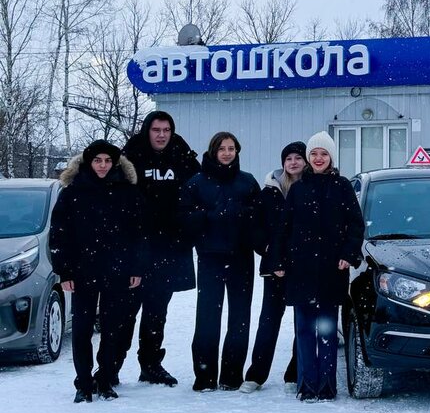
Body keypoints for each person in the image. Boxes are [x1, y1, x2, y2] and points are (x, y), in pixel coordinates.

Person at [269, 131, 364, 401]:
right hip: (301, 270)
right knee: (304, 330)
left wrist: (349, 254)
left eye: (324, 154)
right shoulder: (298, 189)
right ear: (309, 158)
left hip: (332, 270)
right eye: (314, 154)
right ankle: (307, 386)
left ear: (331, 157)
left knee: (327, 331)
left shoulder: (342, 186)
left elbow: (355, 225)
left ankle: (327, 387)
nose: (318, 158)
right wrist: (277, 260)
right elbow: (283, 229)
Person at [49, 140, 144, 402]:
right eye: (97, 160)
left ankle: (105, 379)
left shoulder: (127, 192)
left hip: (117, 270)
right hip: (82, 272)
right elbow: (59, 235)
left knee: (113, 328)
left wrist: (136, 267)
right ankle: (83, 382)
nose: (103, 165)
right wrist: (65, 271)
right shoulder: (72, 193)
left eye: (107, 160)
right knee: (82, 328)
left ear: (115, 163)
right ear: (88, 162)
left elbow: (138, 233)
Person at [119, 110, 200, 387]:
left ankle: (151, 365)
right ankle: (110, 366)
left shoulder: (182, 157)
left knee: (156, 312)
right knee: (124, 312)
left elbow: (198, 193)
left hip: (168, 248)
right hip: (134, 248)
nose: (162, 135)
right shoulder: (130, 157)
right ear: (147, 131)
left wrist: (189, 229)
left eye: (166, 130)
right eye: (156, 130)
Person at [180, 131, 260, 391]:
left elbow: (260, 219)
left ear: (237, 151)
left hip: (241, 258)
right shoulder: (197, 183)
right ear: (213, 151)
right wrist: (208, 216)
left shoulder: (247, 182)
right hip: (210, 258)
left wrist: (243, 216)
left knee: (240, 318)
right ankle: (204, 376)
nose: (227, 153)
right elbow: (185, 219)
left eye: (231, 148)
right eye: (222, 148)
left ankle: (231, 375)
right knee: (207, 318)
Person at [240, 141, 305, 394]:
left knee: (301, 322)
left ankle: (295, 374)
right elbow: (255, 226)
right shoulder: (269, 191)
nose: (293, 163)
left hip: (303, 267)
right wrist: (266, 249)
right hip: (274, 267)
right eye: (288, 158)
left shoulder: (311, 189)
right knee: (268, 321)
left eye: (298, 158)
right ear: (283, 163)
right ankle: (256, 375)